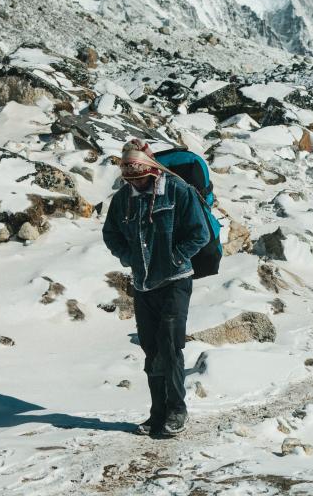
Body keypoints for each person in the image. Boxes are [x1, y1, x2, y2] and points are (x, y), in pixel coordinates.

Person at [102, 140, 209, 438]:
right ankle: (157, 413)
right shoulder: (123, 198)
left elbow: (200, 233)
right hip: (143, 284)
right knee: (151, 350)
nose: (134, 183)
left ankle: (177, 409)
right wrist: (129, 257)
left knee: (170, 346)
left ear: (150, 171)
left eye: (138, 177)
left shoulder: (178, 191)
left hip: (175, 281)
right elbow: (110, 234)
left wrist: (175, 256)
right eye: (129, 179)